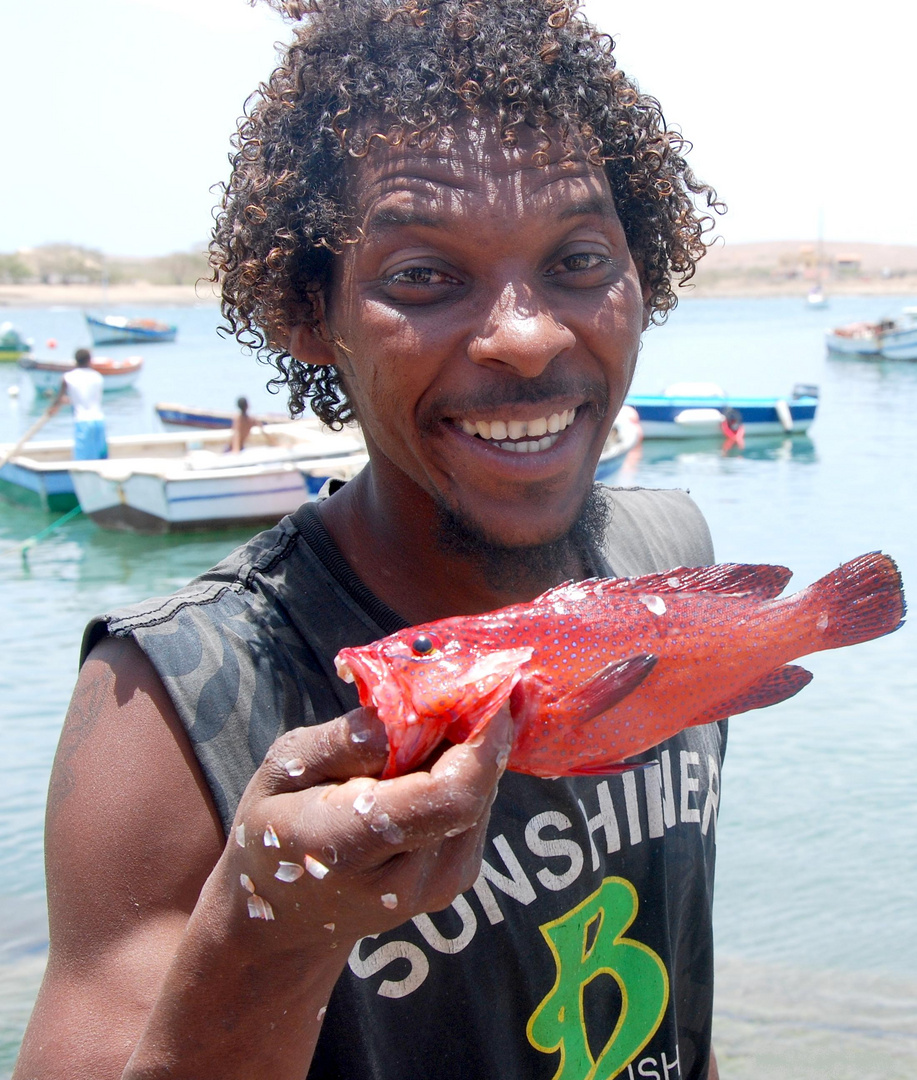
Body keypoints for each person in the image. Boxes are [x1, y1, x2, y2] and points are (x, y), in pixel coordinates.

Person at [15, 2, 726, 1077]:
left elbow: (674, 973)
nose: (526, 337)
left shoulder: (667, 554)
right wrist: (266, 935)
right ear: (311, 311)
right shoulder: (170, 710)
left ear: (642, 271)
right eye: (422, 278)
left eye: (578, 258)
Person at [49, 347, 107, 459]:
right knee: (101, 459)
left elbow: (58, 400)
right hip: (99, 421)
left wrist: (53, 407)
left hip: (83, 421)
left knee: (83, 461)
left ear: (75, 361)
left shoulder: (67, 378)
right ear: (90, 360)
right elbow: (91, 398)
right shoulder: (97, 377)